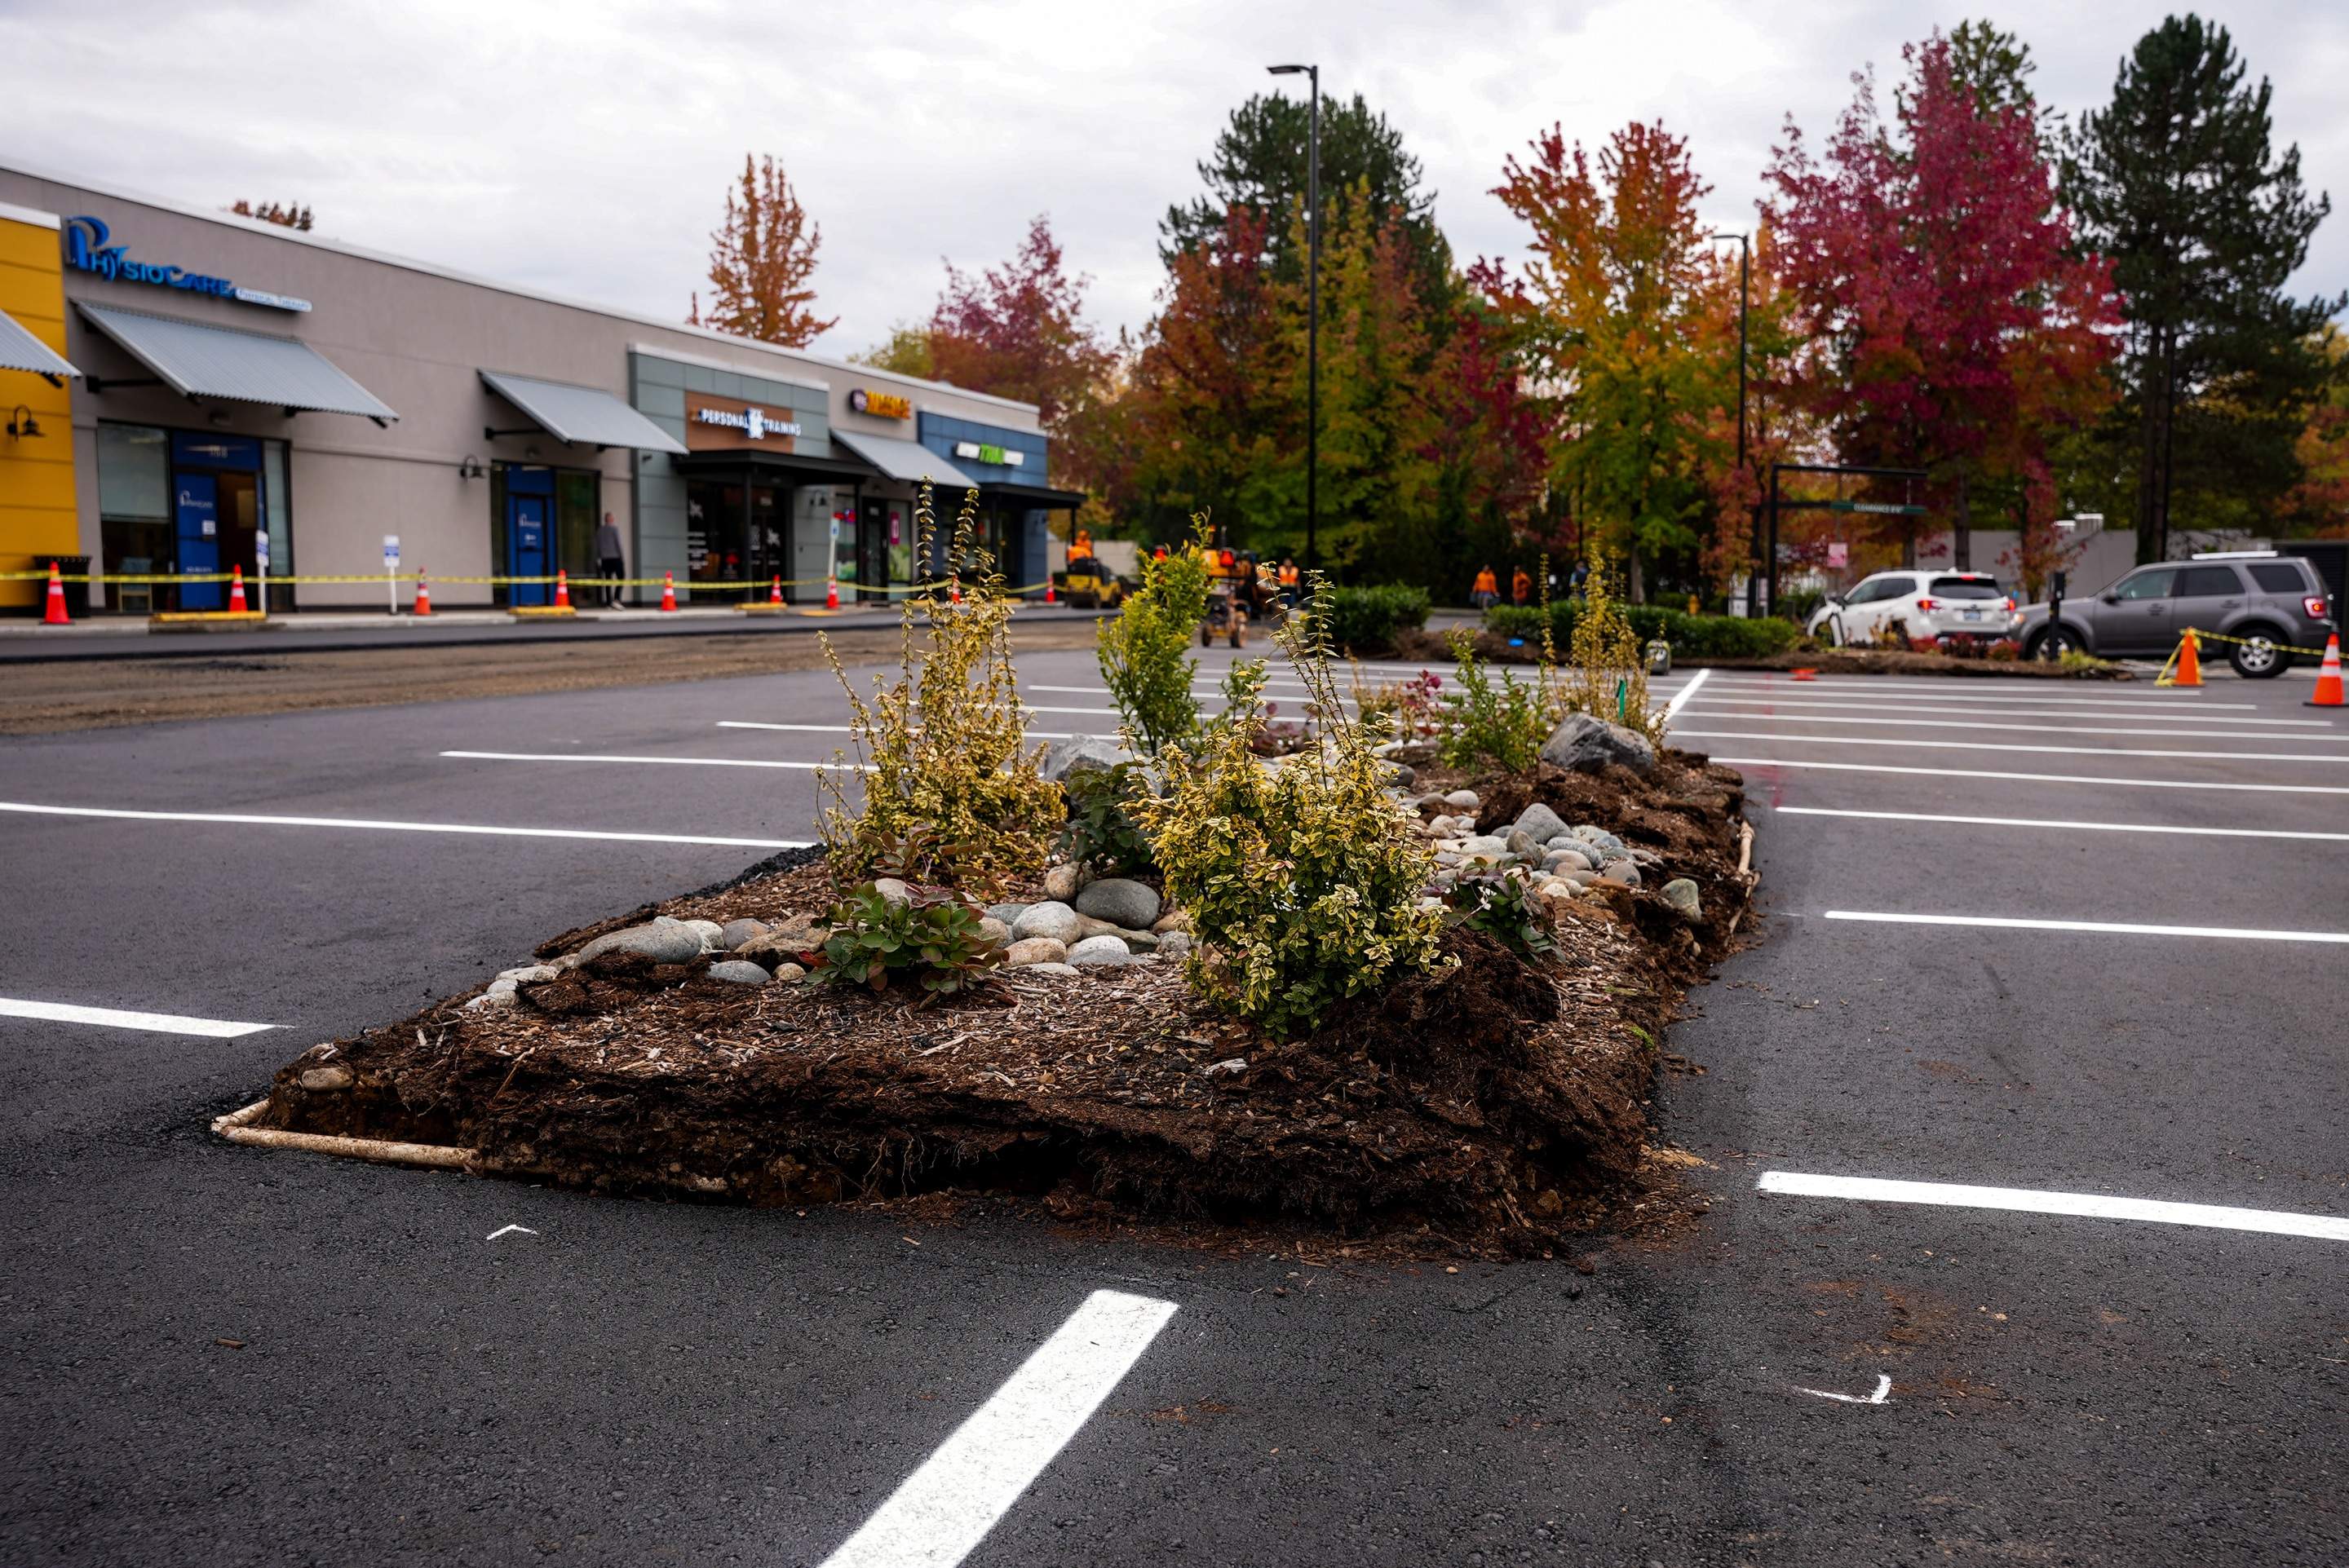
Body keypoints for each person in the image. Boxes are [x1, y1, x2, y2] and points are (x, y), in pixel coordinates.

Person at [595, 512, 626, 607]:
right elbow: (618, 544)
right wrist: (622, 557)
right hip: (615, 557)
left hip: (605, 558)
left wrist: (598, 558)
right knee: (621, 577)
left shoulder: (600, 530)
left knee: (608, 580)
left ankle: (608, 602)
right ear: (611, 519)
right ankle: (617, 599)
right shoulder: (614, 529)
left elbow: (597, 545)